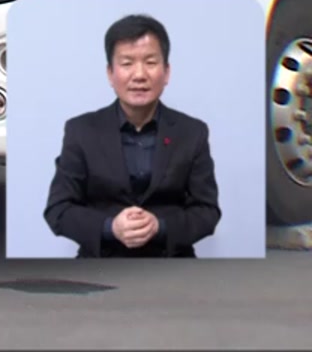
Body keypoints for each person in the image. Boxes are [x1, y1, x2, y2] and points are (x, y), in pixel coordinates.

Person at [43, 13, 221, 257]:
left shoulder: (192, 132)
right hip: (101, 268)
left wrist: (160, 226)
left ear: (166, 72)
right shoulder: (81, 131)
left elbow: (207, 212)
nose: (139, 75)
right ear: (110, 74)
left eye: (150, 62)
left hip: (172, 266)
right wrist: (110, 227)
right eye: (127, 63)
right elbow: (58, 210)